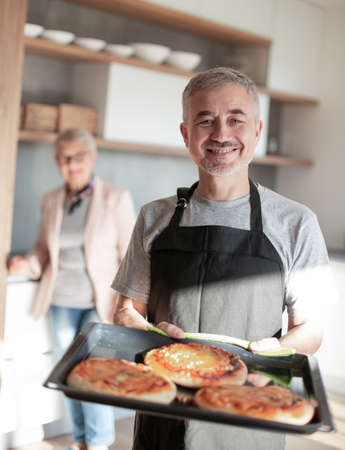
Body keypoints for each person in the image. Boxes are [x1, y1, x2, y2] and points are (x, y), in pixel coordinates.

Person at [111, 67, 333, 450]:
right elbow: (125, 311)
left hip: (247, 412)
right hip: (165, 412)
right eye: (205, 120)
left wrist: (272, 356)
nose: (221, 134)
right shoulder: (153, 217)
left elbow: (311, 330)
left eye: (235, 119)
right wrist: (152, 338)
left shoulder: (296, 223)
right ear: (185, 134)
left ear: (257, 132)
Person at [8, 128, 136, 450]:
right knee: (69, 375)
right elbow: (42, 249)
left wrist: (129, 305)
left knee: (93, 375)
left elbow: (133, 257)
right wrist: (28, 263)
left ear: (92, 158)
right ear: (57, 162)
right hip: (61, 299)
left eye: (79, 156)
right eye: (64, 158)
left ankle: (98, 443)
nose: (72, 164)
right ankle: (81, 441)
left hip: (100, 301)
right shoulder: (51, 201)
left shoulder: (116, 199)